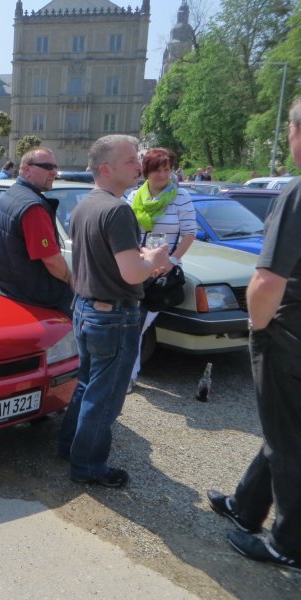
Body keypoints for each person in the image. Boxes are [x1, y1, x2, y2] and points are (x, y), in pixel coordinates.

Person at [206, 96, 301, 574]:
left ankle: (289, 545)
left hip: (288, 337)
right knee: (284, 430)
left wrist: (256, 329)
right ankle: (246, 507)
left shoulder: (297, 193)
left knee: (288, 443)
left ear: (297, 134)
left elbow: (267, 281)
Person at [57, 134, 171, 488]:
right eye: (130, 162)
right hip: (113, 317)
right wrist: (153, 259)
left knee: (87, 387)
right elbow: (131, 273)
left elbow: (104, 260)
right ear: (105, 169)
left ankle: (70, 448)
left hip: (87, 310)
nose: (139, 166)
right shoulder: (118, 209)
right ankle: (87, 466)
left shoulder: (85, 205)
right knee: (104, 398)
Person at [126, 148, 196, 391]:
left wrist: (172, 261)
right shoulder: (133, 196)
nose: (163, 174)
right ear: (146, 171)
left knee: (138, 324)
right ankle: (128, 374)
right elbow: (127, 232)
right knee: (130, 323)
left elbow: (189, 233)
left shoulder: (180, 197)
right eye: (158, 169)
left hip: (162, 272)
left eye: (167, 169)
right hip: (137, 268)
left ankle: (129, 375)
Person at [0, 147, 74, 316]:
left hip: (4, 286)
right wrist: (71, 280)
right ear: (26, 169)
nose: (54, 172)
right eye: (47, 166)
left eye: (55, 167)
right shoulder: (33, 207)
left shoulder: (12, 193)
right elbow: (52, 261)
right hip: (31, 295)